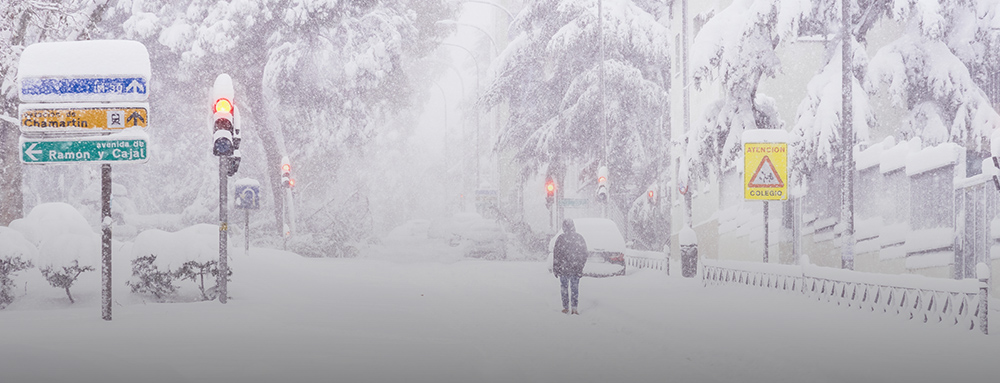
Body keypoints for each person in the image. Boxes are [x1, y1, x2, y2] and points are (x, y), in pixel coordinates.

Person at [552, 219, 588, 314]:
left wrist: (556, 268)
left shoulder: (561, 238)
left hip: (563, 268)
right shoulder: (579, 238)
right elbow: (584, 254)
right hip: (575, 268)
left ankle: (565, 307)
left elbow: (556, 254)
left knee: (564, 287)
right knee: (574, 288)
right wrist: (580, 266)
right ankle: (574, 308)